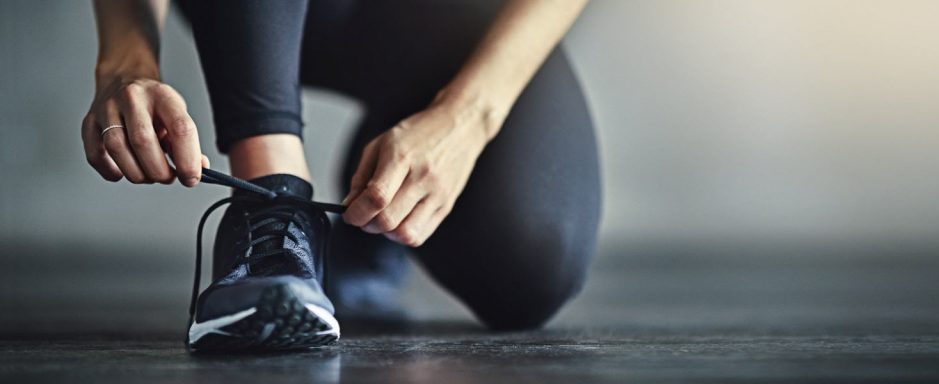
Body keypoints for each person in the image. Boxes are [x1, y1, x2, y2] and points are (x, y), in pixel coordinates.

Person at [83, 0, 601, 351]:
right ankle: (271, 208)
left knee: (532, 266)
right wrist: (125, 62)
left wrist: (467, 116)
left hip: (455, 18)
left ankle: (376, 179)